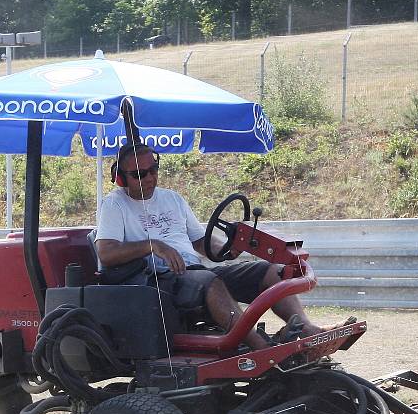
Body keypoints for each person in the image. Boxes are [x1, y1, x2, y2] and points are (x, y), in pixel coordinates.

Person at [95, 143, 347, 350]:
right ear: (121, 178)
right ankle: (261, 348)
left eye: (154, 169)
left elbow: (199, 241)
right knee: (210, 282)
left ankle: (304, 327)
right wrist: (153, 246)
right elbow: (106, 253)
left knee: (271, 271)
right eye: (140, 174)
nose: (150, 178)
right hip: (160, 282)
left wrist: (226, 247)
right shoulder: (115, 205)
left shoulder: (171, 198)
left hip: (194, 271)